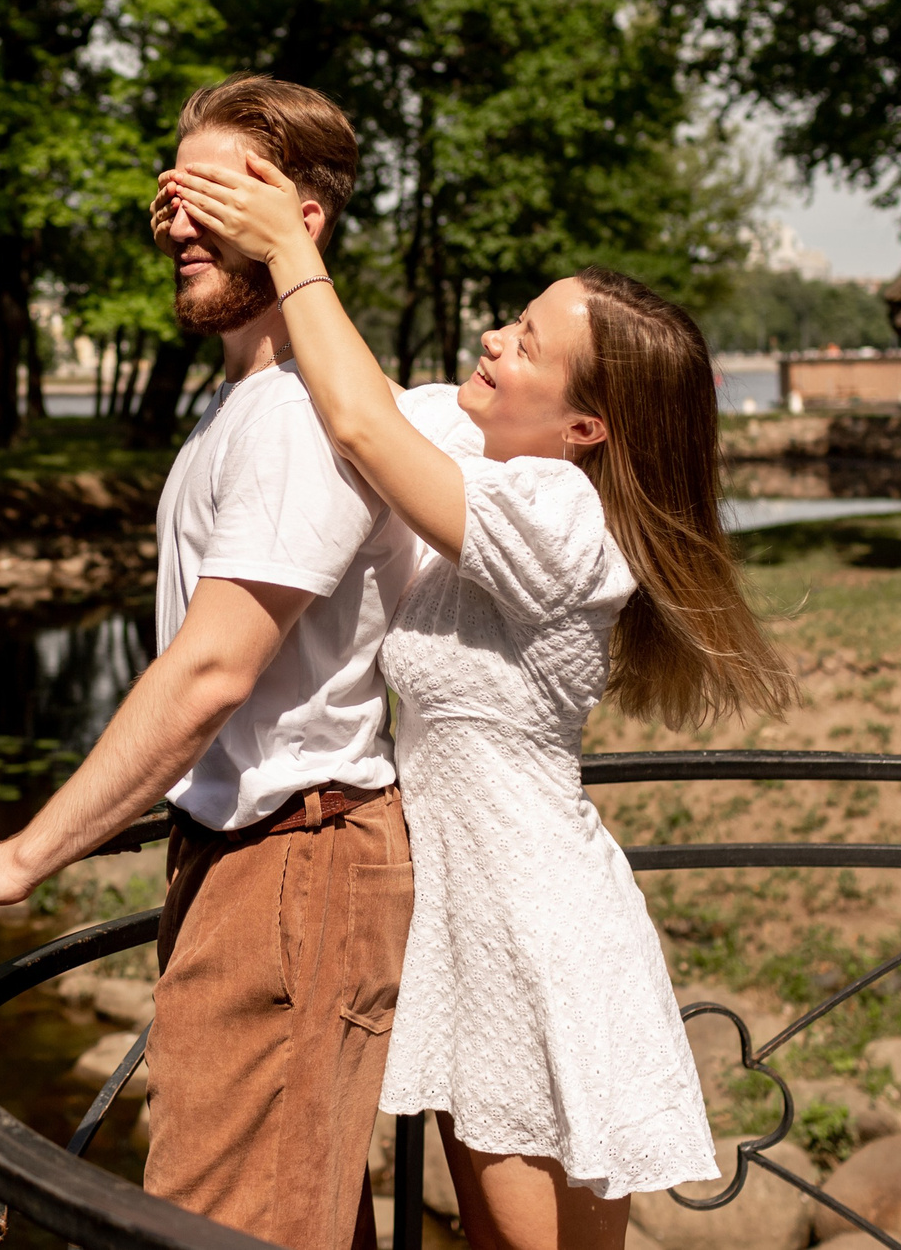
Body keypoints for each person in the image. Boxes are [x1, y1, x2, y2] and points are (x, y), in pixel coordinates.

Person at [158, 153, 798, 1250]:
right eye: (510, 321)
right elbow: (336, 390)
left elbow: (361, 424)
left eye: (527, 345)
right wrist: (238, 243)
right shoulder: (491, 449)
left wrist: (290, 242)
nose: (495, 342)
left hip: (528, 923)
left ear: (586, 428)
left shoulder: (563, 520)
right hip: (469, 916)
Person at [0, 76, 419, 1250]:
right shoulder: (248, 400)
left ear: (298, 217)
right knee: (291, 1209)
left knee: (230, 1226)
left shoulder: (294, 418)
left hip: (294, 865)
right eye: (163, 196)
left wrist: (25, 855)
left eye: (206, 194)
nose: (172, 220)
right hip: (250, 859)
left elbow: (209, 673)